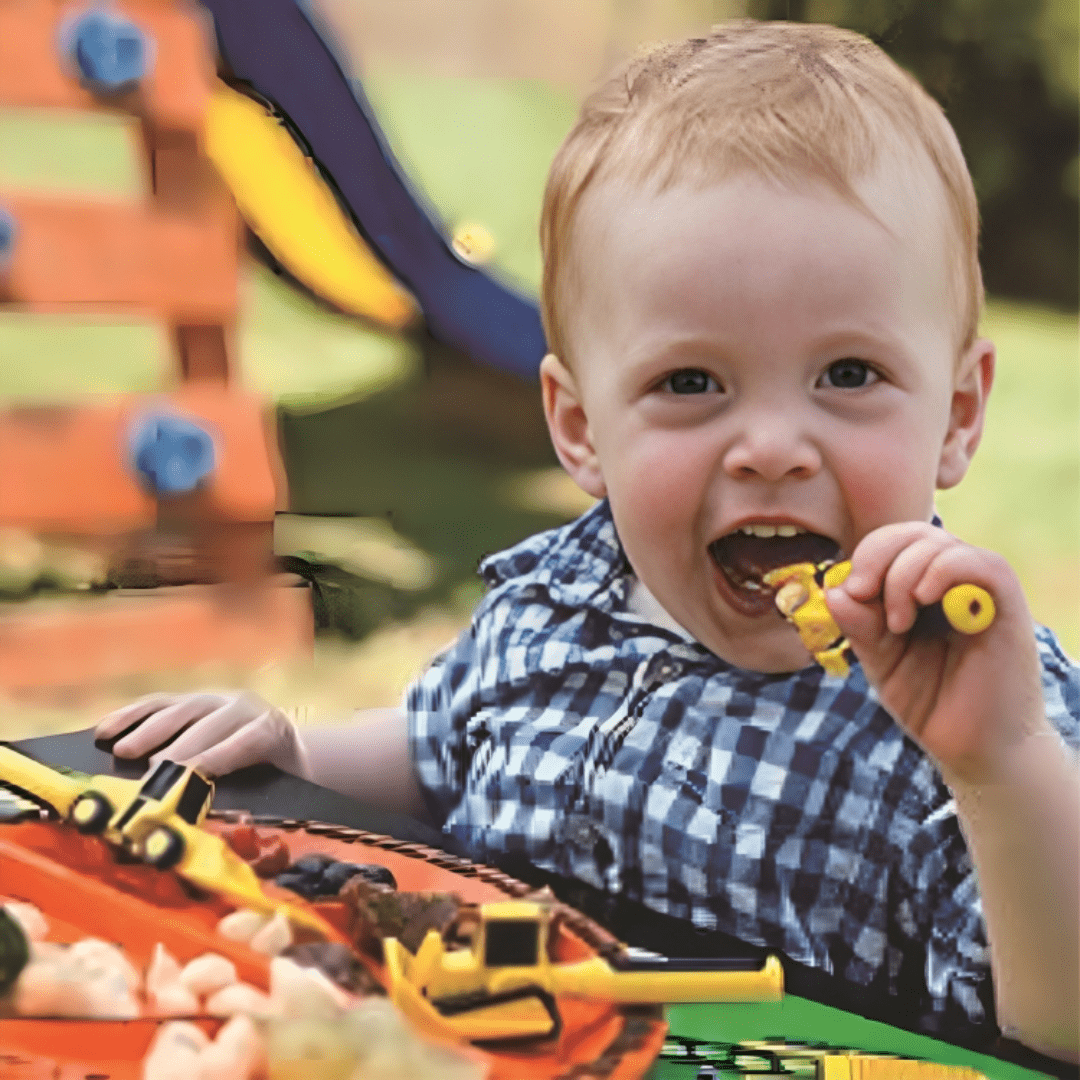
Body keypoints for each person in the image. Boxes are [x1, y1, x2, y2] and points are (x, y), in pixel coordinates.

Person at [96, 20, 1079, 1062]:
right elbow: (442, 753)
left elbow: (1057, 1030)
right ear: (580, 428)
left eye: (848, 375)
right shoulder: (559, 597)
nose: (774, 448)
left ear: (960, 414)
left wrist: (1001, 768)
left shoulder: (991, 708)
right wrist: (301, 755)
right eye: (690, 384)